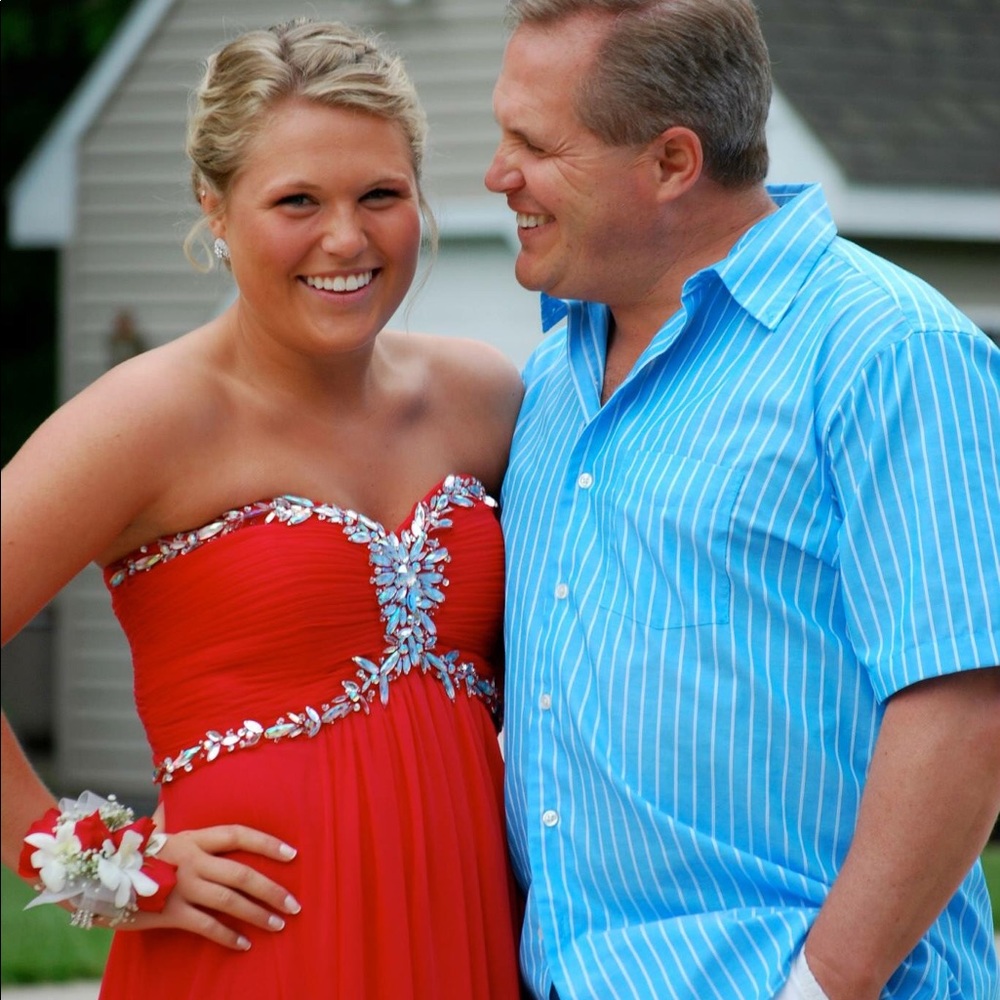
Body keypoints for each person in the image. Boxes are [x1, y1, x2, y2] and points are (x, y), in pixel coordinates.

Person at [484, 1, 1000, 998]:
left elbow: (964, 711)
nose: (498, 175)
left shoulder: (890, 351)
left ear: (673, 162)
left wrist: (816, 988)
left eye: (533, 145)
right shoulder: (548, 379)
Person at [1, 18, 524, 999]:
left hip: (468, 932)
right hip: (252, 952)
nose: (346, 238)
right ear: (216, 206)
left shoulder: (483, 399)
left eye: (381, 195)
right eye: (297, 201)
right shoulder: (148, 419)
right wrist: (92, 869)